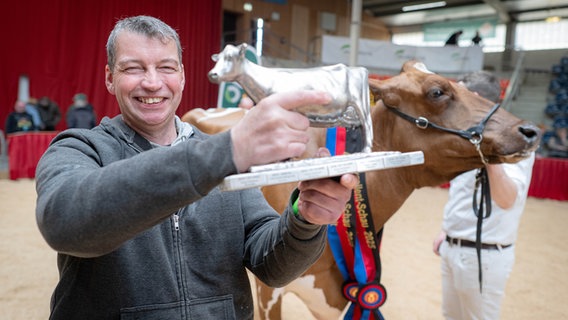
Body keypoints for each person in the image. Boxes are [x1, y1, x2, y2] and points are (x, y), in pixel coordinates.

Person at [35, 15, 357, 319]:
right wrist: (227, 150)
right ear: (109, 77)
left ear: (183, 76)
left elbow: (274, 268)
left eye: (166, 67)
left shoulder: (224, 159)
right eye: (133, 68)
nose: (152, 82)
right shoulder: (78, 148)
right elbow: (65, 223)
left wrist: (305, 218)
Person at [432, 70, 536, 320]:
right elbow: (463, 192)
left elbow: (507, 199)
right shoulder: (464, 137)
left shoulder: (514, 140)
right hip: (452, 246)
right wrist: (448, 230)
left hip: (484, 254)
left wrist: (492, 156)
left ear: (475, 98)